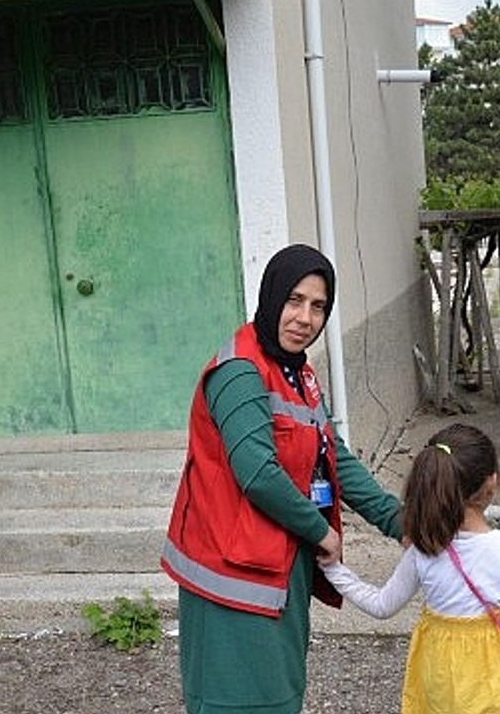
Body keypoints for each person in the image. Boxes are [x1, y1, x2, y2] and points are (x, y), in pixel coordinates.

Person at [161, 243, 403, 714]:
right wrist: (321, 532)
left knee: (279, 698)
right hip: (230, 576)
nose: (304, 318)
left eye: (318, 306)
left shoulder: (296, 372)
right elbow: (257, 474)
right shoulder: (240, 372)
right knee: (236, 703)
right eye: (294, 300)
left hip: (277, 564)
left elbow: (333, 457)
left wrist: (398, 521)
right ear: (272, 296)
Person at [317, 423, 500, 714]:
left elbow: (382, 605)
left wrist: (334, 570)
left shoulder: (424, 550)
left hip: (440, 679)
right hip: (495, 678)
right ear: (491, 483)